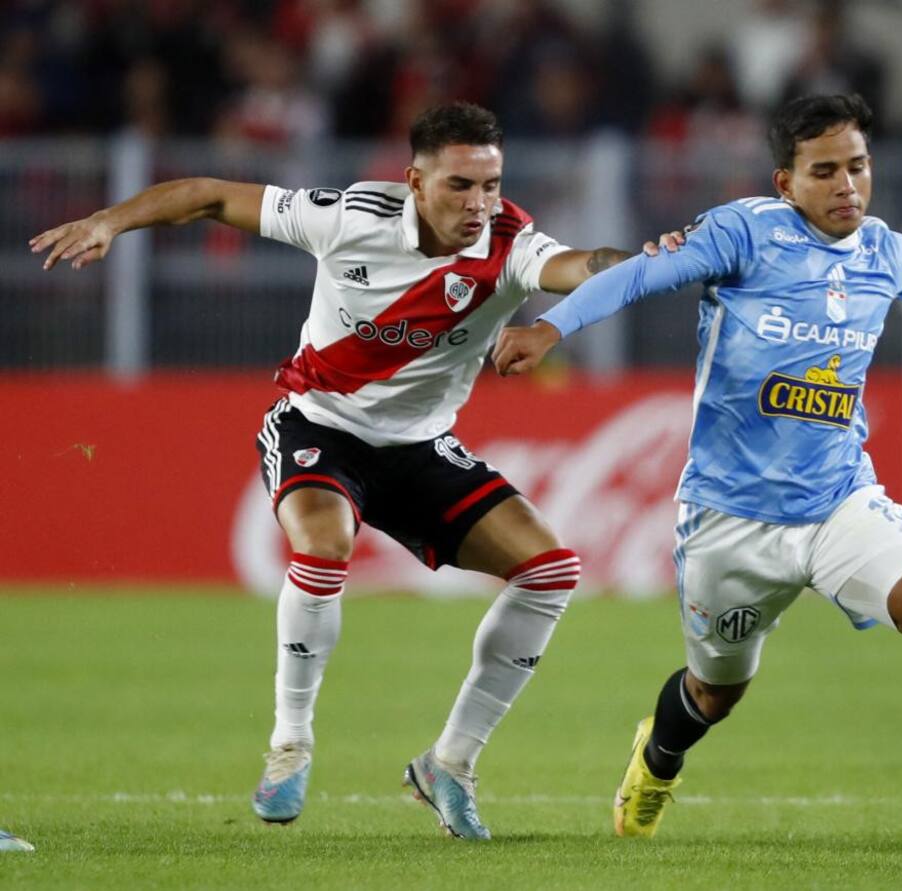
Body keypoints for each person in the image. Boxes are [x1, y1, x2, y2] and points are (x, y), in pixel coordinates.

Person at [493, 94, 902, 840]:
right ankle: (657, 758)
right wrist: (550, 326)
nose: (847, 186)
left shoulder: (882, 250)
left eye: (858, 167)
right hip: (729, 518)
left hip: (839, 499)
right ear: (785, 182)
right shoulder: (741, 233)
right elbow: (638, 275)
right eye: (826, 171)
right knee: (714, 691)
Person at [30, 101, 640, 841]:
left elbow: (582, 267)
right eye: (459, 186)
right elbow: (210, 195)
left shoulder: (511, 244)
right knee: (323, 545)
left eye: (490, 184)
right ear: (414, 181)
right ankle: (291, 742)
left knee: (550, 570)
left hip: (419, 447)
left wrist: (644, 260)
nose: (479, 204)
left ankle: (450, 763)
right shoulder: (349, 216)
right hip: (318, 425)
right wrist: (108, 222)